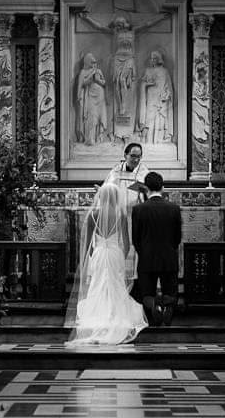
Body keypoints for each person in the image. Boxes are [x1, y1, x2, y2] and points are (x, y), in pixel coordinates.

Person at [65, 183, 148, 346]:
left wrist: (92, 257)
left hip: (99, 253)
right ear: (116, 197)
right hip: (115, 254)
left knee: (98, 283)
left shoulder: (93, 215)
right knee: (115, 284)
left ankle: (97, 317)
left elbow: (87, 244)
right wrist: (121, 257)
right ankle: (116, 316)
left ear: (101, 196)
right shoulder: (120, 215)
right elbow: (126, 242)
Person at [78, 12, 170, 142]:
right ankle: (121, 106)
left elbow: (147, 24)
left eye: (120, 24)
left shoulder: (133, 31)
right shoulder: (115, 33)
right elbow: (100, 27)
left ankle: (124, 107)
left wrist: (160, 17)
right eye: (117, 25)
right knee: (117, 83)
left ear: (124, 23)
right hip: (117, 61)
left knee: (126, 83)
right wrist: (87, 18)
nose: (119, 27)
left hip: (129, 60)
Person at [132, 171, 182, 326]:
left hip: (147, 257)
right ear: (163, 187)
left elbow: (136, 238)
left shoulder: (138, 209)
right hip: (168, 256)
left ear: (146, 188)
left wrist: (143, 252)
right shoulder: (174, 208)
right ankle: (168, 308)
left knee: (147, 292)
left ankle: (153, 307)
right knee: (170, 290)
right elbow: (177, 237)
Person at [104, 142, 150, 288]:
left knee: (135, 247)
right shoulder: (115, 171)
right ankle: (117, 280)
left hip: (136, 218)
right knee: (119, 246)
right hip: (117, 217)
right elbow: (107, 192)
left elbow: (148, 195)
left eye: (139, 156)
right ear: (125, 155)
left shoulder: (144, 172)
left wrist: (140, 191)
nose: (136, 159)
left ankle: (134, 282)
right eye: (133, 156)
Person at [139, 50, 173, 144]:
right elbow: (142, 83)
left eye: (155, 58)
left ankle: (158, 141)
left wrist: (166, 94)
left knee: (160, 119)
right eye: (152, 59)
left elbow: (168, 87)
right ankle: (147, 141)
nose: (153, 60)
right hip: (150, 98)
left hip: (160, 99)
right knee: (148, 119)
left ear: (159, 59)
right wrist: (147, 84)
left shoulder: (165, 71)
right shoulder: (148, 70)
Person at [76, 53, 108, 145]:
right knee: (92, 117)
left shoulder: (98, 71)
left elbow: (104, 83)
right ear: (87, 62)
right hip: (90, 97)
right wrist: (91, 75)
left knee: (100, 116)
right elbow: (82, 84)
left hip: (100, 97)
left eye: (95, 62)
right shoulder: (83, 72)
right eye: (92, 62)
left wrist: (98, 80)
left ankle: (99, 137)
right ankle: (90, 139)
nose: (94, 64)